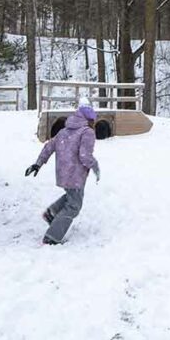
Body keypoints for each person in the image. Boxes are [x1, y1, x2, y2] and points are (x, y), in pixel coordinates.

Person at [25, 98, 100, 244]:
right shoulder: (87, 132)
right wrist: (95, 167)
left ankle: (51, 214)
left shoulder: (63, 131)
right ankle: (52, 236)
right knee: (74, 206)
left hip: (63, 173)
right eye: (93, 120)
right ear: (89, 119)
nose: (93, 123)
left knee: (72, 197)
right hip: (76, 174)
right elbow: (85, 156)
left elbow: (48, 147)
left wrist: (38, 164)